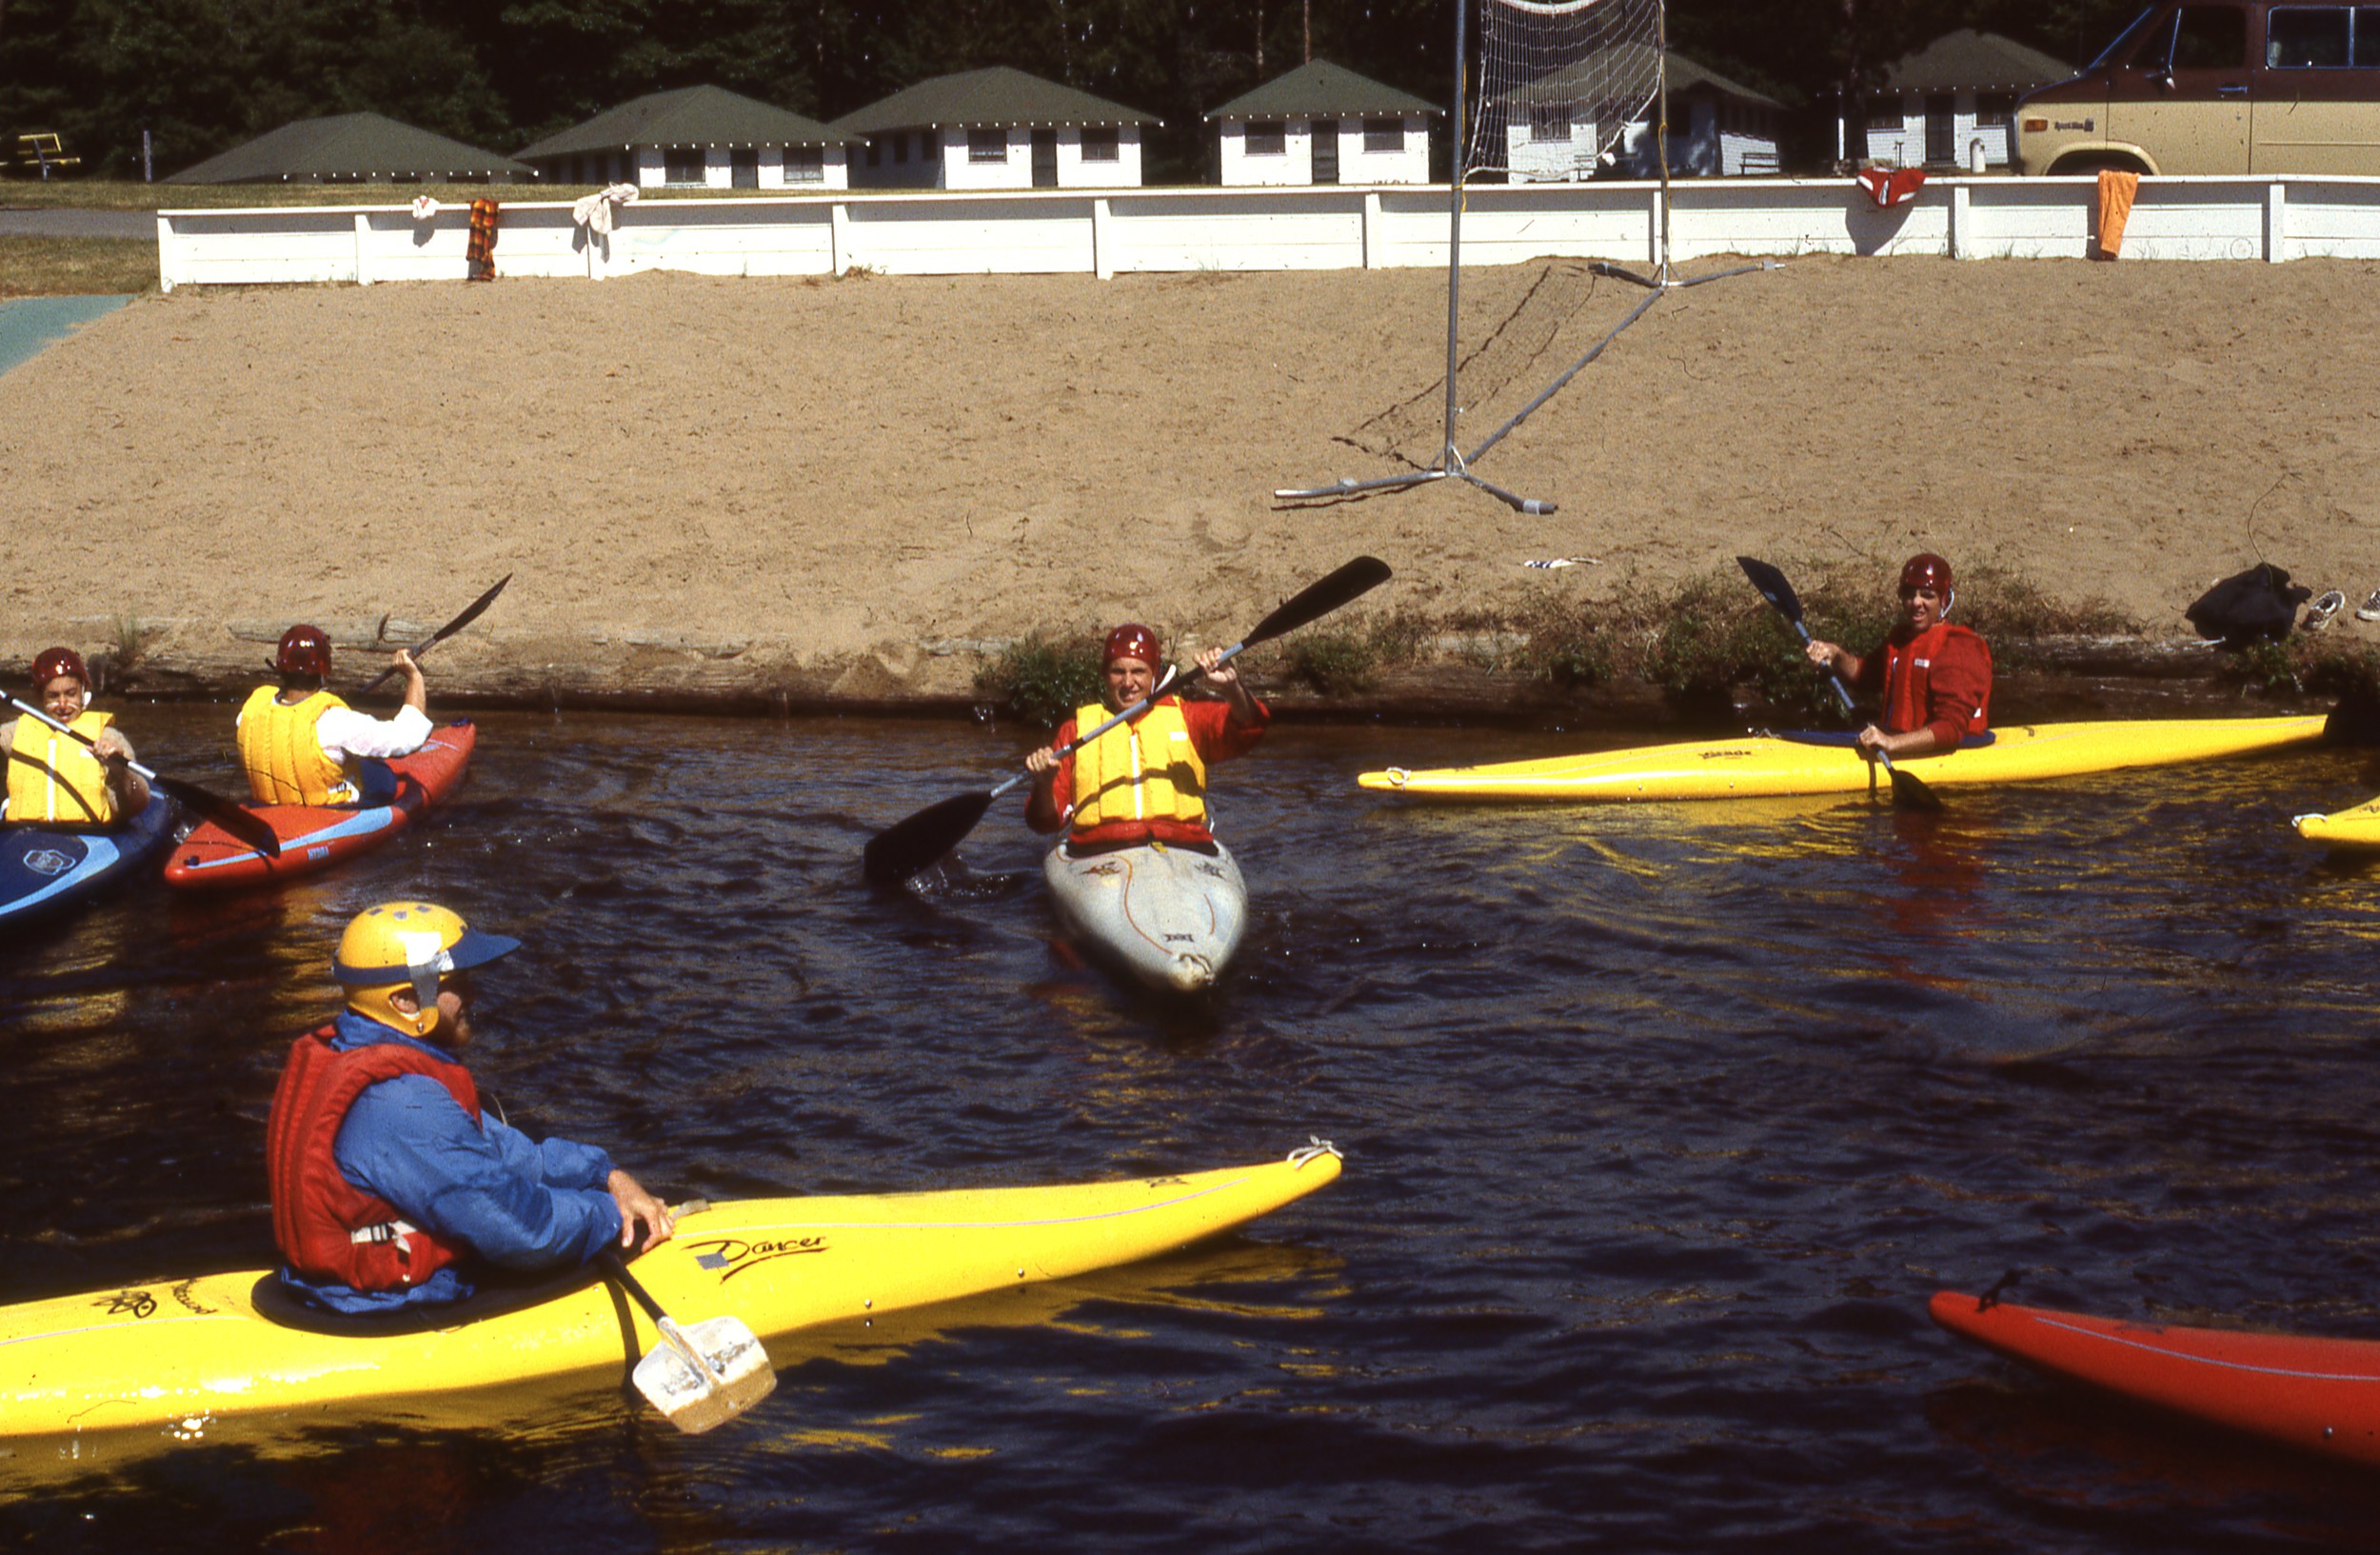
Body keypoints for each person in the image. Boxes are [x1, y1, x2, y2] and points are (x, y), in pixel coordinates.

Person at [266, 901, 674, 1315]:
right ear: (406, 1001)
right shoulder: (402, 1105)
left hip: (345, 1288)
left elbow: (514, 1157)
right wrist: (612, 1216)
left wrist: (607, 1176)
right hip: (383, 1305)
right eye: (456, 982)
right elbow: (526, 1232)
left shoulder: (355, 1048)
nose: (474, 993)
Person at [1024, 623, 1268, 852]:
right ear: (1104, 675)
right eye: (1118, 671)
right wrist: (1043, 784)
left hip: (1183, 849)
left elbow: (1248, 728)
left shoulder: (1189, 717)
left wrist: (1232, 688)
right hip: (1099, 852)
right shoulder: (1075, 731)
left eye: (1138, 671)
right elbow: (1044, 822)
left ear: (1155, 675)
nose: (1128, 682)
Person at [1803, 552, 1993, 760]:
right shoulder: (1900, 641)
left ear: (1944, 600)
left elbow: (1950, 729)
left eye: (1927, 595)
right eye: (1910, 595)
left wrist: (1891, 743)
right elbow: (1864, 674)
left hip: (1946, 752)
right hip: (1898, 746)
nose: (1916, 602)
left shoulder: (1958, 648)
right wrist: (1835, 655)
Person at [237, 624, 430, 807]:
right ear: (324, 672)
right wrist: (414, 677)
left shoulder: (250, 711)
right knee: (380, 771)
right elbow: (409, 737)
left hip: (266, 808)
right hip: (327, 813)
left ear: (280, 667)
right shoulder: (335, 723)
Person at [1, 647, 149, 827]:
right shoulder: (14, 733)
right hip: (26, 836)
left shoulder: (108, 737)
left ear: (83, 692)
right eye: (53, 696)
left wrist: (122, 770)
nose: (63, 704)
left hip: (90, 838)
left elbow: (139, 803)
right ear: (40, 697)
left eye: (71, 694)